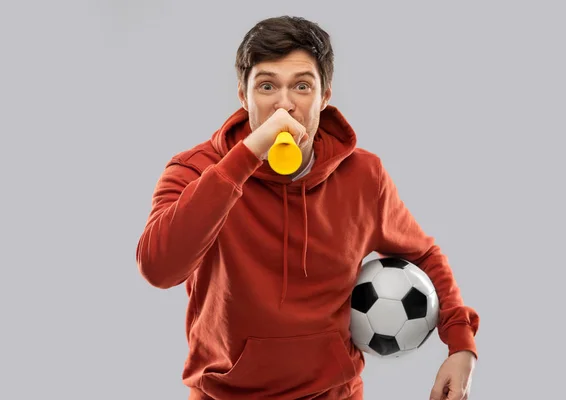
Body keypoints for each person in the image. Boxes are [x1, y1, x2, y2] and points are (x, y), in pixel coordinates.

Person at [136, 15, 480, 400]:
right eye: (267, 86)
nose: (285, 105)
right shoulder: (194, 170)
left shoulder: (364, 175)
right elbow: (158, 268)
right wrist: (245, 156)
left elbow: (425, 255)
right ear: (243, 96)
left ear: (325, 96)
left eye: (302, 86)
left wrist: (460, 344)